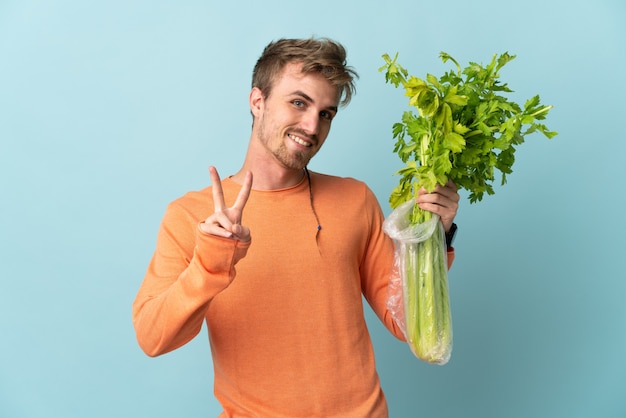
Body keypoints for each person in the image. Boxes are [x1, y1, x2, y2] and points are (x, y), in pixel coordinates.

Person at [132, 37, 460, 417]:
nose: (311, 125)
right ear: (258, 101)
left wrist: (435, 236)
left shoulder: (355, 199)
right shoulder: (193, 215)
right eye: (299, 102)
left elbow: (409, 325)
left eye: (326, 113)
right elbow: (153, 338)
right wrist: (211, 261)